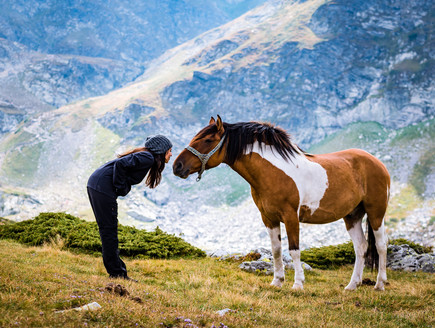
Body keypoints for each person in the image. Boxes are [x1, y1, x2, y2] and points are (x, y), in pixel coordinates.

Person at [87, 135, 172, 280]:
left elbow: (121, 165)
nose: (171, 154)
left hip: (97, 185)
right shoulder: (148, 157)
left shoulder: (146, 157)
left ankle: (116, 271)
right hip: (101, 187)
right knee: (109, 230)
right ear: (161, 150)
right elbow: (120, 164)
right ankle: (117, 274)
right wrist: (120, 187)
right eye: (169, 151)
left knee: (108, 229)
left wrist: (119, 188)